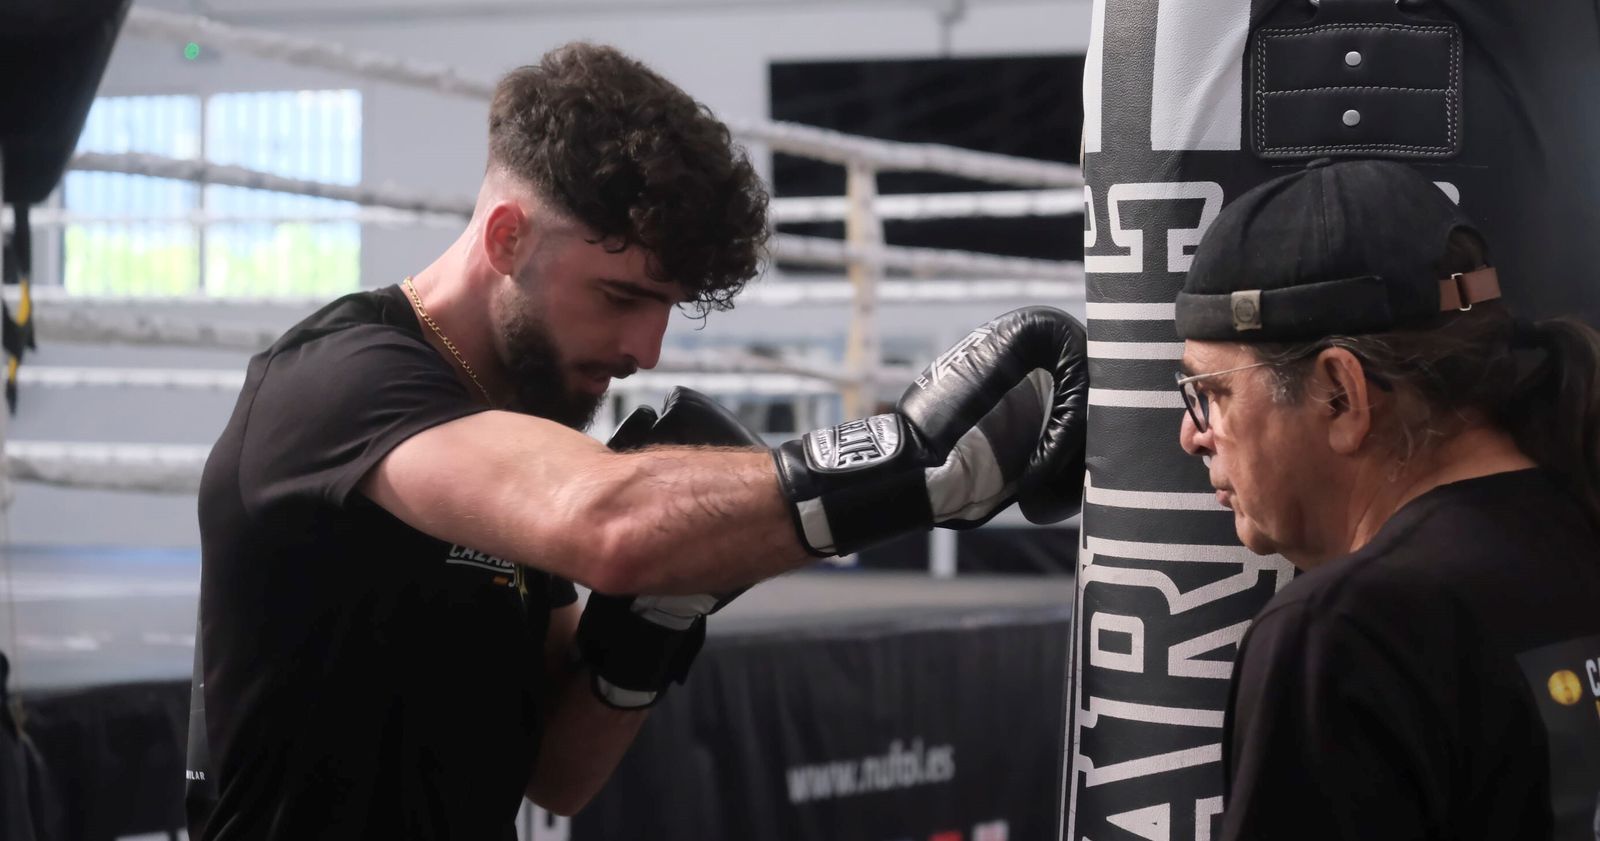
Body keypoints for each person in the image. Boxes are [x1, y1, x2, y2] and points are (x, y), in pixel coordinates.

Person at [188, 42, 1090, 840]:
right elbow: (611, 524)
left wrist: (653, 623)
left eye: (665, 308)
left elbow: (559, 774)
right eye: (622, 296)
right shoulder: (340, 382)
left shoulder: (519, 426)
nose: (643, 351)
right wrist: (909, 461)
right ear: (508, 237)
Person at [1172, 158, 1600, 840]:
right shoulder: (1579, 524)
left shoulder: (1342, 634)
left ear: (1340, 393)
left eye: (1210, 393)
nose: (1192, 434)